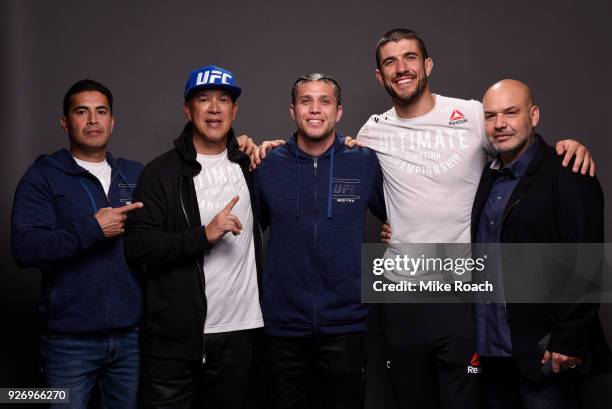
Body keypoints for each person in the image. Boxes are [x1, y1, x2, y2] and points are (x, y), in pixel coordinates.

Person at [353, 29, 595, 409]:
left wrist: (566, 147)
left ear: (427, 65)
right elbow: (346, 171)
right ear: (379, 76)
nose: (402, 68)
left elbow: (519, 147)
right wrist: (262, 148)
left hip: (465, 292)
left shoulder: (471, 114)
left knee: (468, 399)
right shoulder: (372, 132)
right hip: (400, 293)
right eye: (390, 62)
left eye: (411, 58)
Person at [124, 65, 263, 409]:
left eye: (223, 99)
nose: (214, 108)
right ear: (188, 110)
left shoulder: (253, 165)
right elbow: (138, 245)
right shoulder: (160, 173)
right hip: (174, 338)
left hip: (241, 332)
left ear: (235, 110)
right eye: (204, 99)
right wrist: (203, 235)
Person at [471, 79, 609, 408]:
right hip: (493, 353)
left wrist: (567, 339)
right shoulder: (486, 176)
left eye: (511, 112)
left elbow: (587, 265)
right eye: (490, 116)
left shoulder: (568, 171)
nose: (500, 124)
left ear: (533, 116)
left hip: (546, 353)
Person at [253, 73, 386, 409]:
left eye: (324, 101)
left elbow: (403, 212)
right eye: (305, 101)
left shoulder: (364, 162)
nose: (314, 109)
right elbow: (246, 233)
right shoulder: (267, 164)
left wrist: (394, 230)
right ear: (292, 110)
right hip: (282, 325)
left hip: (346, 323)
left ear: (339, 112)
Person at [11, 79, 144, 409]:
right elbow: (25, 248)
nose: (93, 120)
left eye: (101, 112)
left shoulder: (136, 174)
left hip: (131, 339)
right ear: (65, 122)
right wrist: (93, 228)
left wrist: (234, 147)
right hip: (69, 344)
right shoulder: (43, 176)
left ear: (112, 121)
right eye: (82, 112)